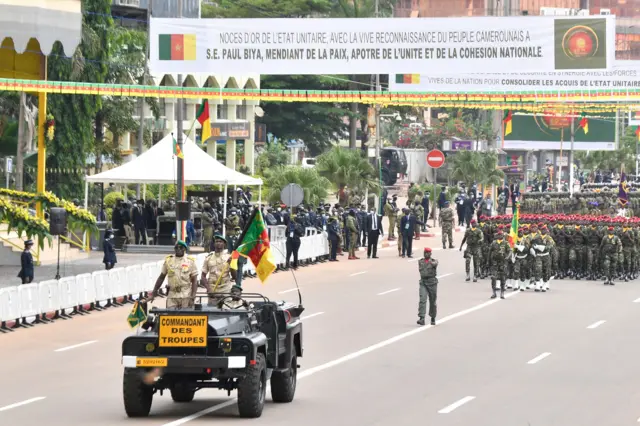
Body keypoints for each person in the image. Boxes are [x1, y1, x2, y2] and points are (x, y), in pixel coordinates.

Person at [149, 240, 199, 308]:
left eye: (181, 247)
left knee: (185, 317)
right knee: (170, 317)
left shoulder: (190, 261)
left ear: (184, 249)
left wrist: (193, 297)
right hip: (172, 295)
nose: (178, 249)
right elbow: (161, 277)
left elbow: (194, 281)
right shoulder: (169, 261)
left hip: (186, 295)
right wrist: (154, 293)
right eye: (176, 247)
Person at [201, 234, 236, 306]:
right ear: (214, 244)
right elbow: (203, 276)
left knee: (226, 310)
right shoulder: (209, 258)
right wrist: (208, 289)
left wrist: (231, 265)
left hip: (225, 289)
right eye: (216, 241)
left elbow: (234, 276)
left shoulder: (229, 257)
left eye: (220, 242)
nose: (218, 243)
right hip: (213, 290)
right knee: (212, 312)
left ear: (224, 244)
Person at [417, 247, 438, 326]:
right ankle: (422, 318)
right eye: (425, 252)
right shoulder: (420, 261)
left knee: (432, 301)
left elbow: (435, 264)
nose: (425, 254)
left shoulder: (434, 261)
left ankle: (433, 317)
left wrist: (430, 262)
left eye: (427, 253)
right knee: (422, 299)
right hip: (423, 282)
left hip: (432, 282)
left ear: (430, 254)